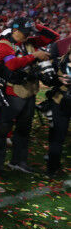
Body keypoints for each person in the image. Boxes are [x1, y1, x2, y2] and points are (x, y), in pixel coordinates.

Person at [0, 17, 56, 174]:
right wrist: (35, 56)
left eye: (29, 32)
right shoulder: (3, 45)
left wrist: (37, 25)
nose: (28, 35)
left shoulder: (30, 42)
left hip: (29, 92)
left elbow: (53, 37)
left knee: (24, 130)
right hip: (13, 93)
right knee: (3, 129)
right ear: (14, 31)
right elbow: (12, 64)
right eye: (25, 32)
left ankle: (18, 162)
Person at [45, 45, 70, 177]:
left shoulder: (59, 61)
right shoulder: (59, 62)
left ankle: (52, 168)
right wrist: (58, 79)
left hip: (59, 101)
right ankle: (52, 168)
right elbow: (48, 80)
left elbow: (48, 80)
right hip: (60, 102)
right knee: (57, 138)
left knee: (57, 138)